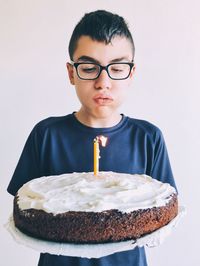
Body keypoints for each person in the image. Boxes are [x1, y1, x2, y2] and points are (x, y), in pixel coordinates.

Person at [7, 10, 177, 266]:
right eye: (89, 68)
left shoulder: (147, 138)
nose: (103, 82)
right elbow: (27, 207)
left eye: (117, 68)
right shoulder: (46, 135)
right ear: (71, 73)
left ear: (131, 73)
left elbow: (163, 210)